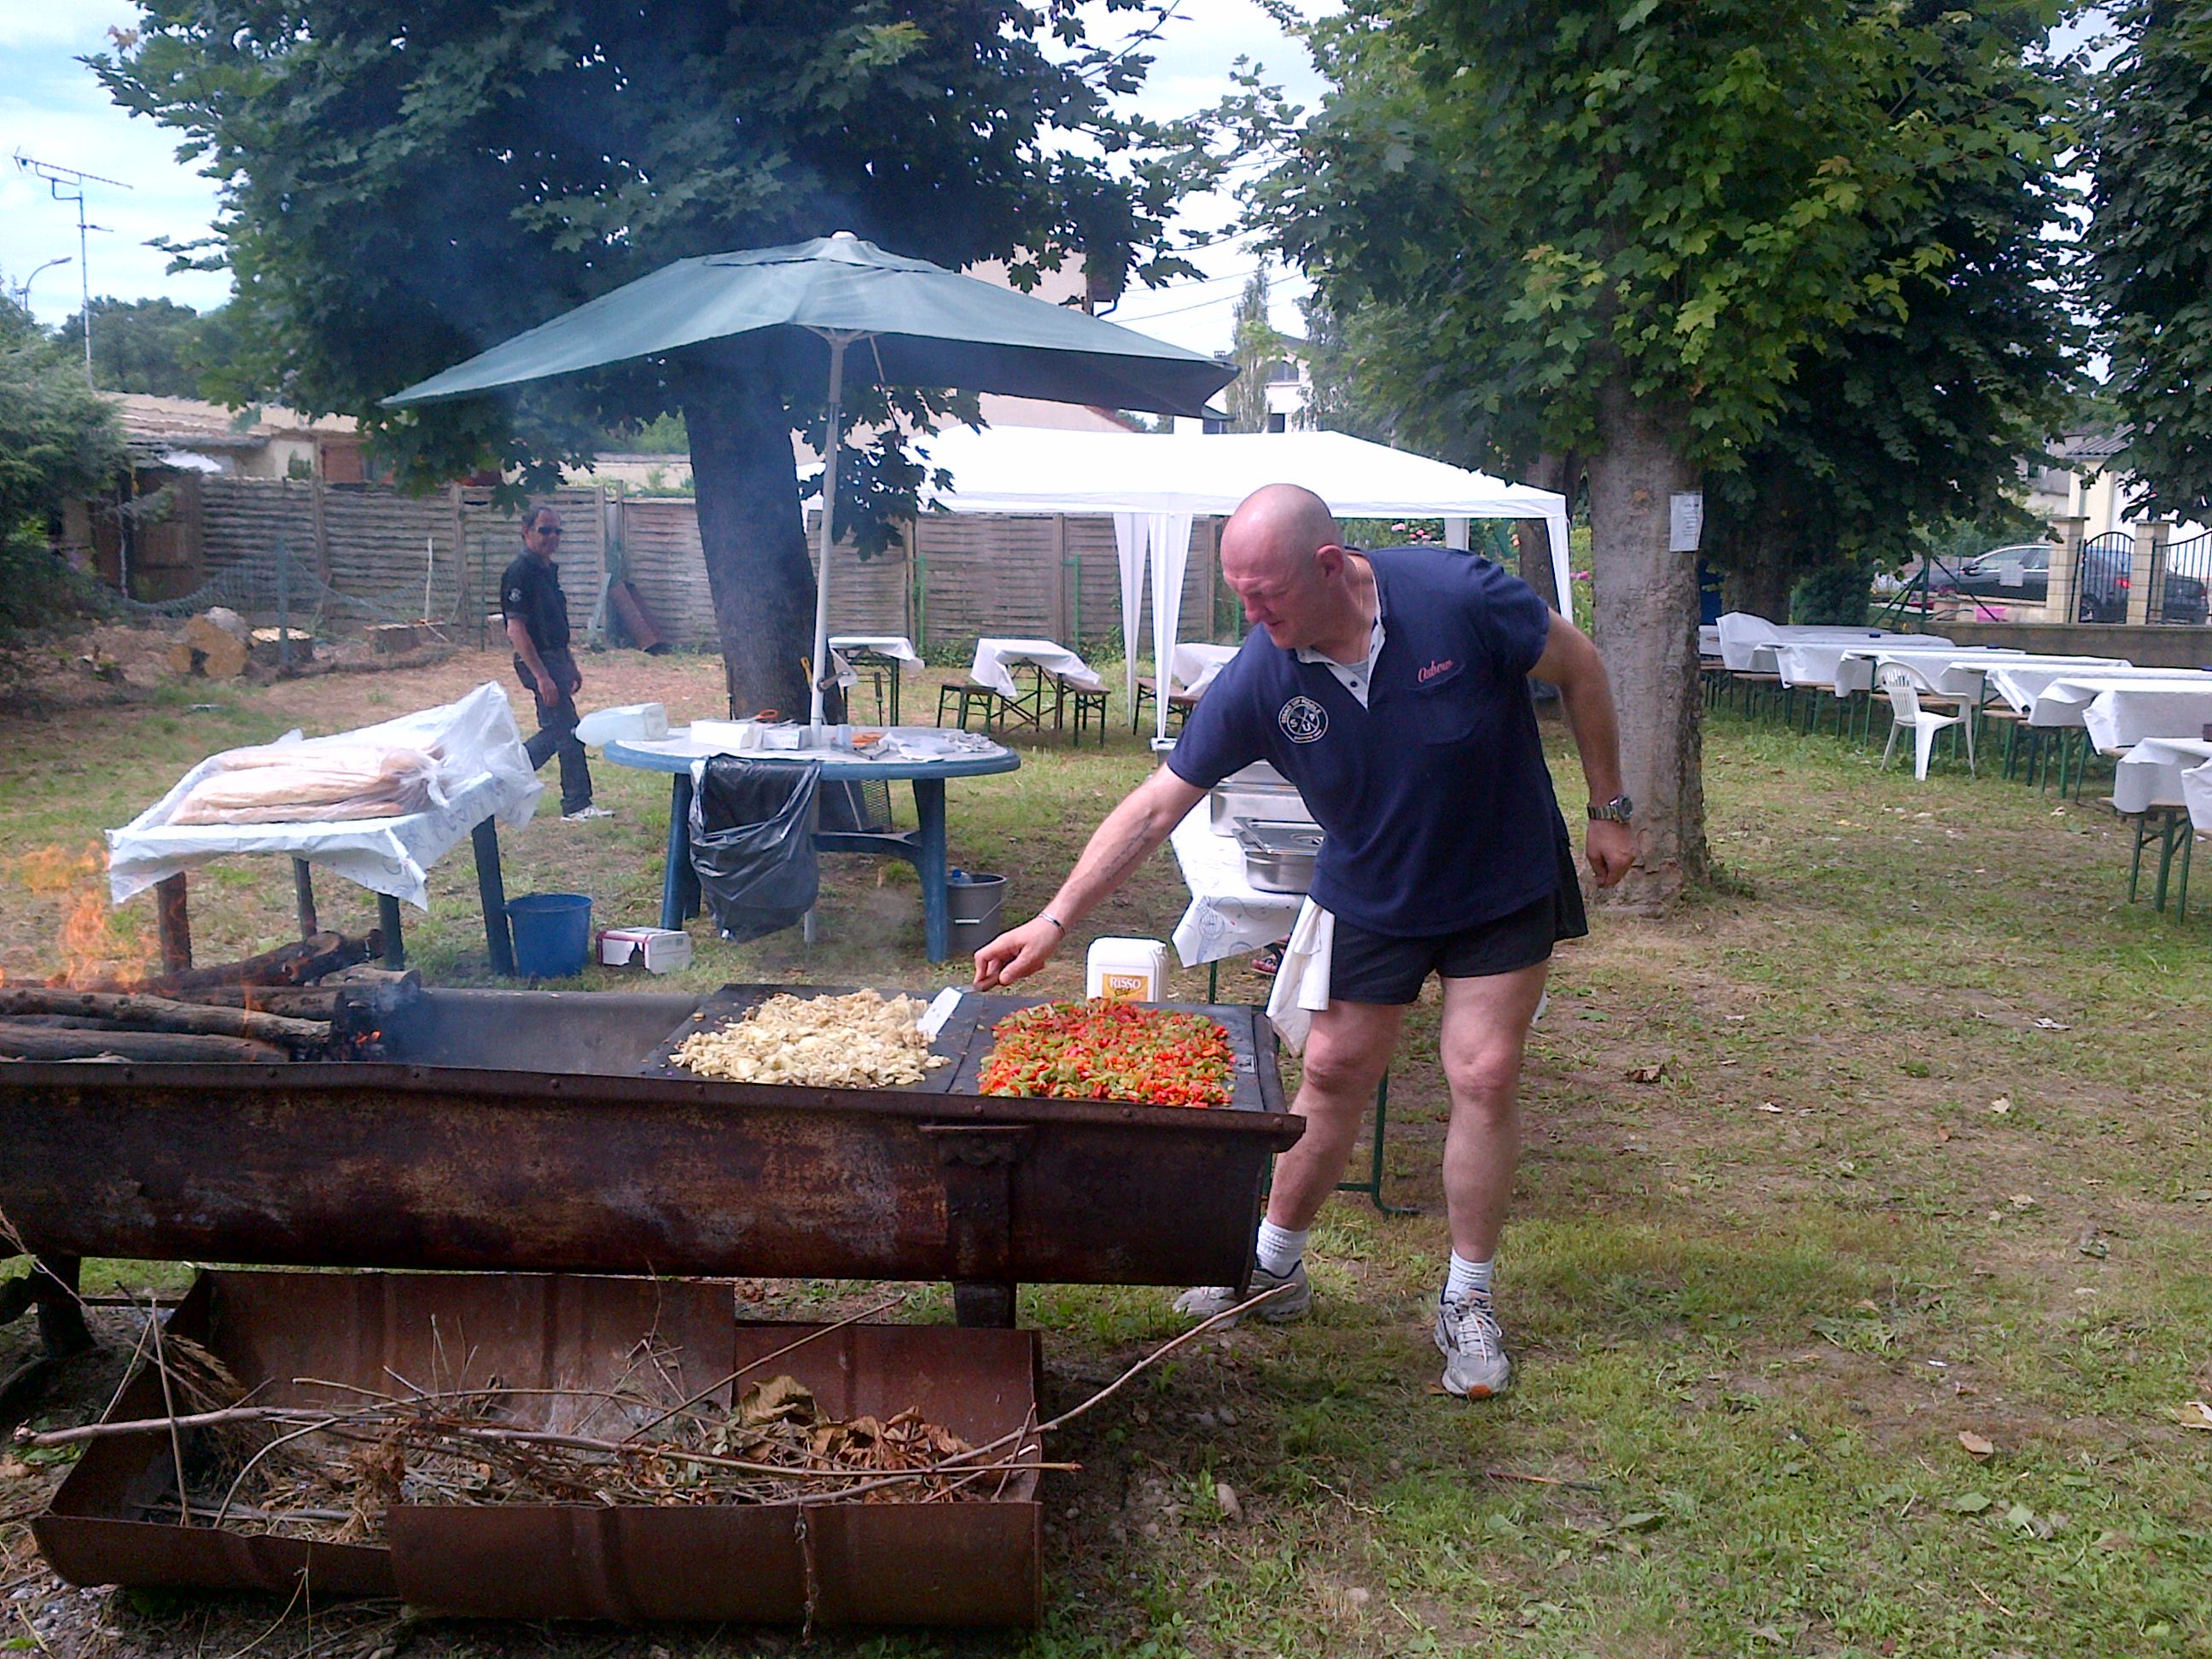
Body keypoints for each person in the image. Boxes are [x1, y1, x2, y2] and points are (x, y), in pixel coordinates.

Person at [973, 484, 1634, 1400]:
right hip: (1372, 891)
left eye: (1264, 592)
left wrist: (1609, 809)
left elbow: (1583, 667)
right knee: (1331, 1073)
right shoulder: (1263, 673)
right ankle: (1273, 1268)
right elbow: (1159, 804)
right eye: (1239, 592)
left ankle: (1467, 1297)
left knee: (1482, 1073)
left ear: (1330, 566)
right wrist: (1054, 920)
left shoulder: (1460, 596)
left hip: (1499, 877)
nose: (1251, 613)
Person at [502, 505, 611, 823]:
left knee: (557, 730)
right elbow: (516, 629)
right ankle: (575, 803)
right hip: (538, 662)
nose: (552, 537)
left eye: (557, 531)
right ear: (526, 532)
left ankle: (502, 781)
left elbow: (555, 625)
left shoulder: (547, 570)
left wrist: (570, 663)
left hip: (556, 658)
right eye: (544, 530)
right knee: (567, 730)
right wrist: (541, 676)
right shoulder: (520, 572)